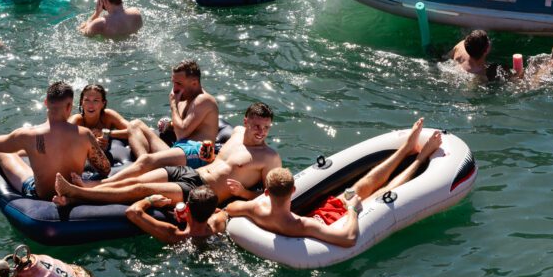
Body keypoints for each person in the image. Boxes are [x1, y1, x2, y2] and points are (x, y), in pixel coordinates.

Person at [226, 120, 442, 248]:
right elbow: (348, 238)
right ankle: (420, 158)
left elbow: (230, 208)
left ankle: (405, 148)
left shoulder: (256, 209)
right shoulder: (302, 225)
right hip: (337, 218)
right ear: (293, 190)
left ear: (266, 192)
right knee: (382, 192)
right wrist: (353, 210)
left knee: (362, 184)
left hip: (326, 210)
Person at [53, 102, 281, 206]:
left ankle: (77, 195)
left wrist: (243, 192)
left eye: (266, 127)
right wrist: (209, 155)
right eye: (256, 126)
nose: (261, 132)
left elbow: (272, 197)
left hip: (201, 190)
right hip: (191, 171)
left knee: (140, 189)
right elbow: (218, 161)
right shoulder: (238, 132)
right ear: (246, 122)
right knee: (139, 174)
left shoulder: (269, 157)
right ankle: (91, 186)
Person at [0, 81, 110, 200]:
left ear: (46, 102)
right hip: (73, 191)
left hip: (40, 195)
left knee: (2, 153)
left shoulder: (28, 135)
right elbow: (105, 169)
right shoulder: (84, 135)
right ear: (70, 106)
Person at [126, 59, 219, 168]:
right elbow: (184, 127)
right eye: (173, 83)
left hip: (194, 156)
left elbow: (181, 134)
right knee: (134, 125)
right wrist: (169, 125)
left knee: (147, 160)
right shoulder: (184, 98)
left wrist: (173, 105)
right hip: (178, 151)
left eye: (179, 83)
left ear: (194, 83)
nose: (174, 89)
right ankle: (144, 165)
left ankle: (145, 165)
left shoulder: (203, 100)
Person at [126, 187, 228, 244]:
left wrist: (150, 200)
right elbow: (224, 211)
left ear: (187, 206)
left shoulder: (174, 236)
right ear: (211, 211)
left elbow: (132, 212)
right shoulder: (218, 223)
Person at [69, 84, 130, 151]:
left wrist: (106, 133)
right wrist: (90, 141)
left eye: (96, 100)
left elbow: (133, 130)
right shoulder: (77, 120)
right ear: (81, 103)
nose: (91, 105)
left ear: (103, 103)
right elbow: (61, 137)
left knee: (137, 123)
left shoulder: (108, 116)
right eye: (87, 100)